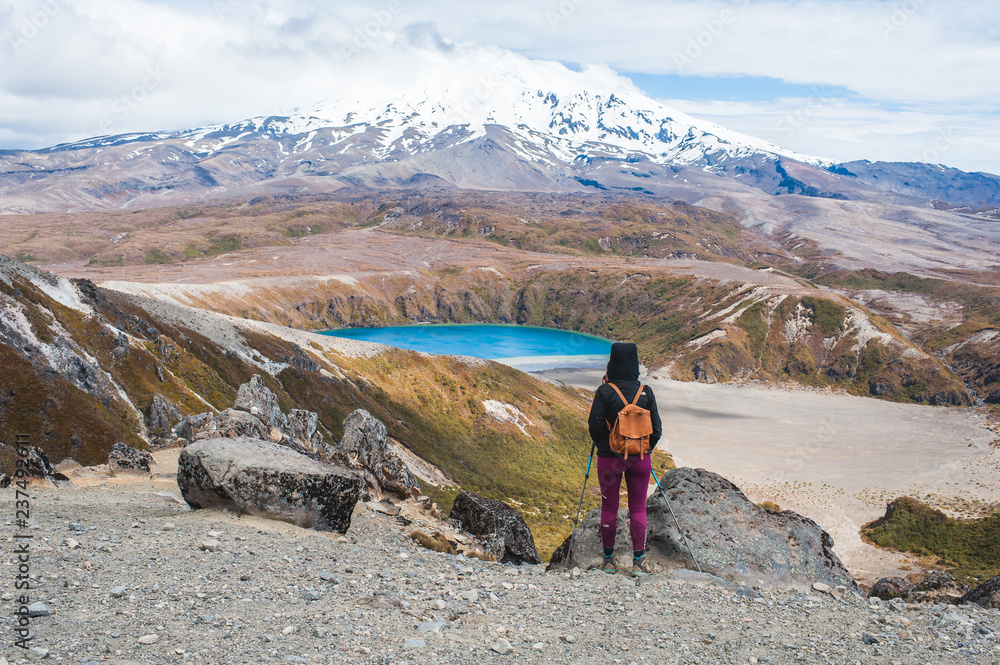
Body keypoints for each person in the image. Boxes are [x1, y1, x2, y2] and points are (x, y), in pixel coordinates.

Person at [587, 342, 662, 575]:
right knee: (638, 507)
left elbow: (595, 427)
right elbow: (657, 429)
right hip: (640, 458)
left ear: (612, 365)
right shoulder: (646, 392)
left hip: (610, 460)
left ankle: (609, 561)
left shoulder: (605, 391)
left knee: (609, 507)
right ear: (635, 366)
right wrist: (643, 449)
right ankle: (639, 561)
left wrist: (606, 446)